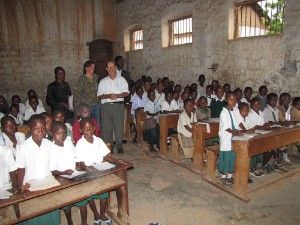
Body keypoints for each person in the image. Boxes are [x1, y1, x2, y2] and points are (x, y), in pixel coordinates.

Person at [75, 117, 125, 225]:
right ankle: (96, 214)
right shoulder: (80, 143)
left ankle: (102, 214)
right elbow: (80, 162)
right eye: (85, 128)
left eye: (90, 128)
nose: (88, 130)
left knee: (104, 194)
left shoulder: (98, 140)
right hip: (87, 172)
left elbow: (106, 156)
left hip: (100, 170)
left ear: (94, 128)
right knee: (90, 195)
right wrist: (85, 167)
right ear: (80, 130)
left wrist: (116, 161)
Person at [16, 114, 61, 225]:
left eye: (42, 129)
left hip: (48, 182)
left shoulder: (50, 144)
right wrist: (20, 186)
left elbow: (53, 166)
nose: (40, 131)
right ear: (29, 129)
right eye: (36, 129)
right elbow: (21, 169)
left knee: (51, 210)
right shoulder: (23, 147)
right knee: (35, 214)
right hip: (31, 185)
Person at [49, 121, 87, 225]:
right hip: (62, 178)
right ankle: (70, 221)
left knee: (82, 199)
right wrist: (63, 172)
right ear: (51, 134)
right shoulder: (51, 149)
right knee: (67, 203)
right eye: (59, 133)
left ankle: (84, 222)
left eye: (64, 133)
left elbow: (76, 156)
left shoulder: (69, 143)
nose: (62, 136)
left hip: (75, 175)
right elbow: (52, 170)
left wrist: (78, 165)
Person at [97, 61, 129, 154]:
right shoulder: (103, 81)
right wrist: (108, 96)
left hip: (118, 106)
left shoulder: (122, 80)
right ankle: (109, 146)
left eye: (112, 67)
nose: (111, 69)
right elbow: (99, 95)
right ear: (106, 69)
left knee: (119, 127)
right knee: (107, 128)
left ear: (115, 68)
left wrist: (117, 95)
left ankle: (119, 145)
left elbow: (126, 92)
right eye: (109, 68)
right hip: (106, 107)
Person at [218, 92, 243, 186]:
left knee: (232, 156)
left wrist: (245, 129)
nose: (233, 101)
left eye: (235, 99)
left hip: (235, 137)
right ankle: (223, 176)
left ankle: (229, 175)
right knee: (226, 156)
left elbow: (240, 122)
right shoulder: (223, 112)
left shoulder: (236, 110)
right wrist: (237, 132)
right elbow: (227, 128)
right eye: (231, 99)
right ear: (226, 100)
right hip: (227, 137)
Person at [263, 93, 289, 173]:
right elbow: (268, 122)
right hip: (269, 132)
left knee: (280, 147)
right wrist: (277, 123)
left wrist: (282, 122)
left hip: (276, 132)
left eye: (275, 100)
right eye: (273, 100)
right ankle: (264, 164)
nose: (275, 102)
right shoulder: (266, 110)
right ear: (267, 101)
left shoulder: (276, 110)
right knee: (270, 149)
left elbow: (278, 120)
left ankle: (278, 163)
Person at [74, 61, 101, 127]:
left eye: (94, 67)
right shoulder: (82, 79)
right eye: (91, 67)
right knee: (86, 123)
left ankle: (96, 136)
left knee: (97, 123)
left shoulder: (96, 77)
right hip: (86, 106)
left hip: (96, 104)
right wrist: (77, 107)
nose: (93, 68)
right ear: (86, 68)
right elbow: (77, 93)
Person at [277, 93, 293, 165]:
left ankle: (285, 156)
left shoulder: (291, 108)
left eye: (284, 99)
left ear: (289, 100)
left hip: (289, 128)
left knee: (289, 142)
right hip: (280, 129)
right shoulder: (278, 108)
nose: (281, 100)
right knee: (281, 144)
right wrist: (285, 122)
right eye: (281, 99)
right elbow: (280, 119)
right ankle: (279, 160)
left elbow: (293, 117)